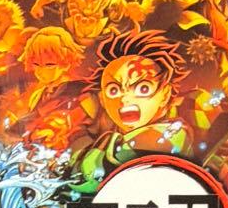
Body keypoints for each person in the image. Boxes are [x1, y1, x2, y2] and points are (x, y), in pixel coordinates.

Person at [72, 30, 191, 191]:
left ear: (165, 94)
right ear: (102, 99)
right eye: (113, 90)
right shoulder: (106, 137)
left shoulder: (170, 134)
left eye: (143, 88)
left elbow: (92, 177)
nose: (125, 99)